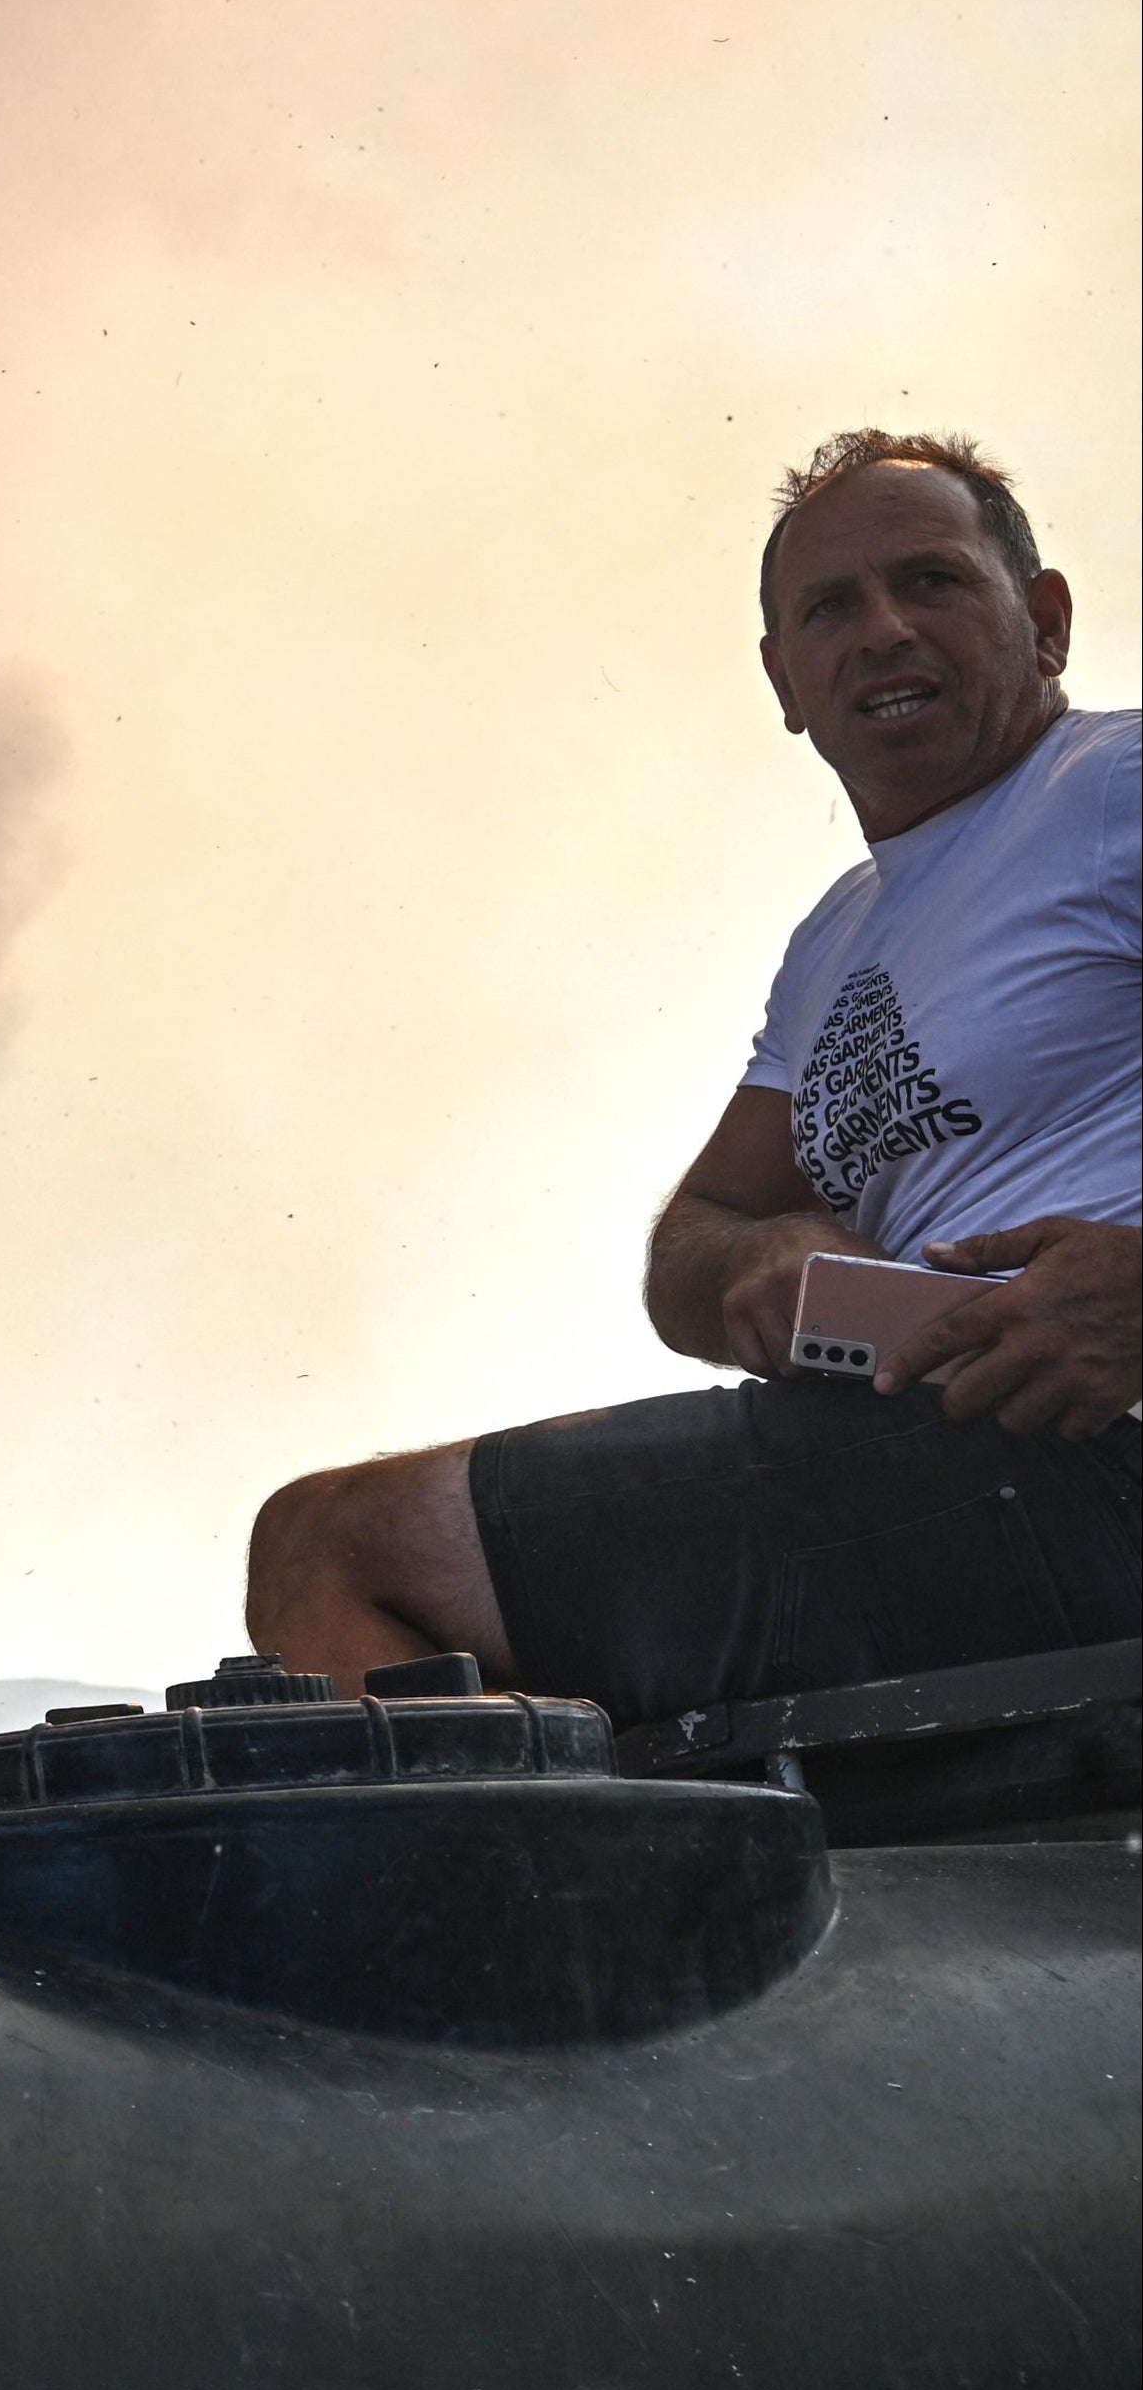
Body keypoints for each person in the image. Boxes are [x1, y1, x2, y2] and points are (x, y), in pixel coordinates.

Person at [245, 429, 1139, 1713]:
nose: (881, 629)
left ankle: (523, 1910)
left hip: (1079, 1469)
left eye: (932, 582)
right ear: (784, 677)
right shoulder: (839, 936)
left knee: (331, 1546)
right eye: (831, 606)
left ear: (1043, 620)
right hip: (918, 1468)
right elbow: (693, 1241)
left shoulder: (1112, 785)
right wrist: (756, 1262)